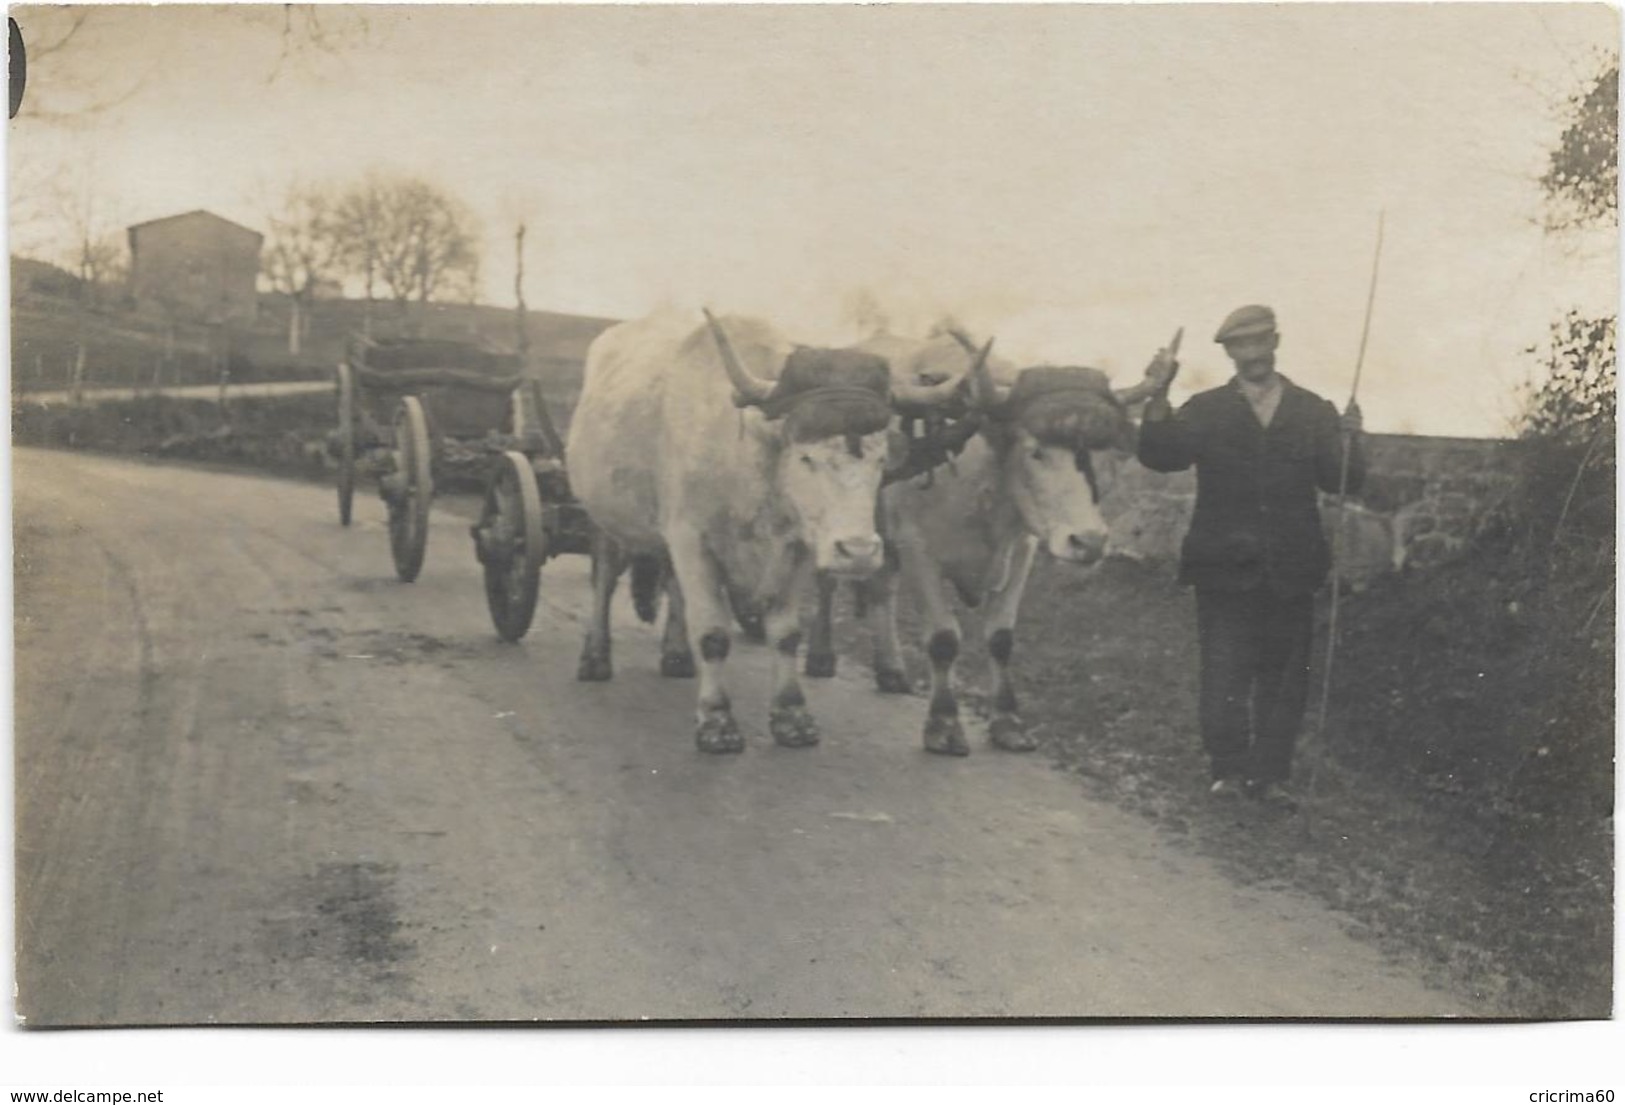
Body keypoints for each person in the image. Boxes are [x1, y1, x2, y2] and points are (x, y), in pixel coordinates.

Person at [1136, 304, 1364, 811]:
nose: (1252, 354)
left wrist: (1353, 439)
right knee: (1225, 672)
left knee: (1284, 679)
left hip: (1292, 566)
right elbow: (1160, 455)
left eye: (1260, 342)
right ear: (1229, 353)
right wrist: (1157, 397)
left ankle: (1272, 776)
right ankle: (1228, 772)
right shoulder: (1206, 409)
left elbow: (1340, 478)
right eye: (1240, 346)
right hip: (1223, 565)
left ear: (1276, 342)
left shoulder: (1313, 411)